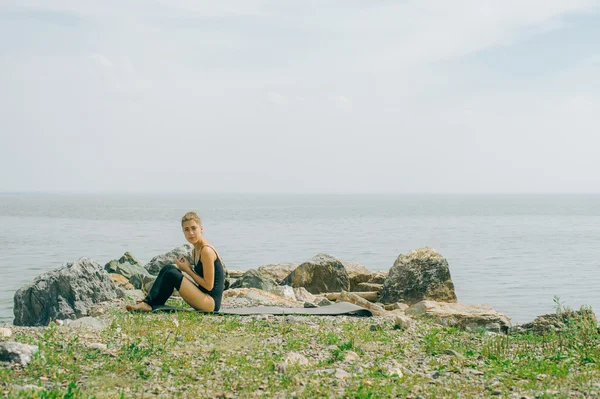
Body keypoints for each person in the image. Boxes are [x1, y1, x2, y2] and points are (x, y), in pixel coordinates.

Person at [126, 211, 226, 313]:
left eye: (194, 228)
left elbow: (209, 286)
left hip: (210, 303)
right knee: (168, 269)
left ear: (201, 229)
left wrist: (188, 270)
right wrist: (187, 271)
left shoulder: (206, 251)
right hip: (203, 297)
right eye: (186, 230)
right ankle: (149, 303)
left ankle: (148, 303)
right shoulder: (195, 251)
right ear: (183, 232)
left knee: (171, 273)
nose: (191, 233)